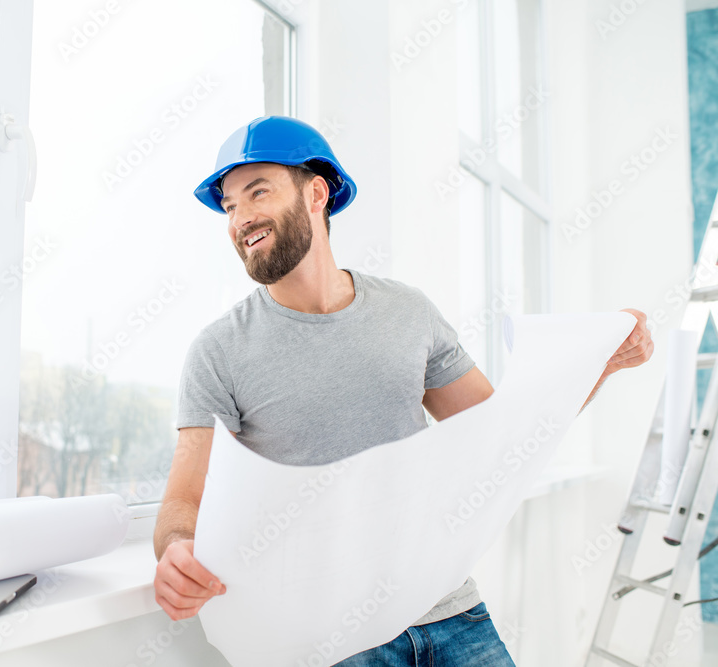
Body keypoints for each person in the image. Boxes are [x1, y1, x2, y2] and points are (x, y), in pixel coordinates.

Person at [152, 116, 653, 665]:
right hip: (334, 643)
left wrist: (598, 361)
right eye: (228, 205)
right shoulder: (218, 350)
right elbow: (183, 499)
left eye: (257, 192)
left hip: (452, 614)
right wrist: (176, 549)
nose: (240, 217)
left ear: (316, 192)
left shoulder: (408, 312)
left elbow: (500, 435)